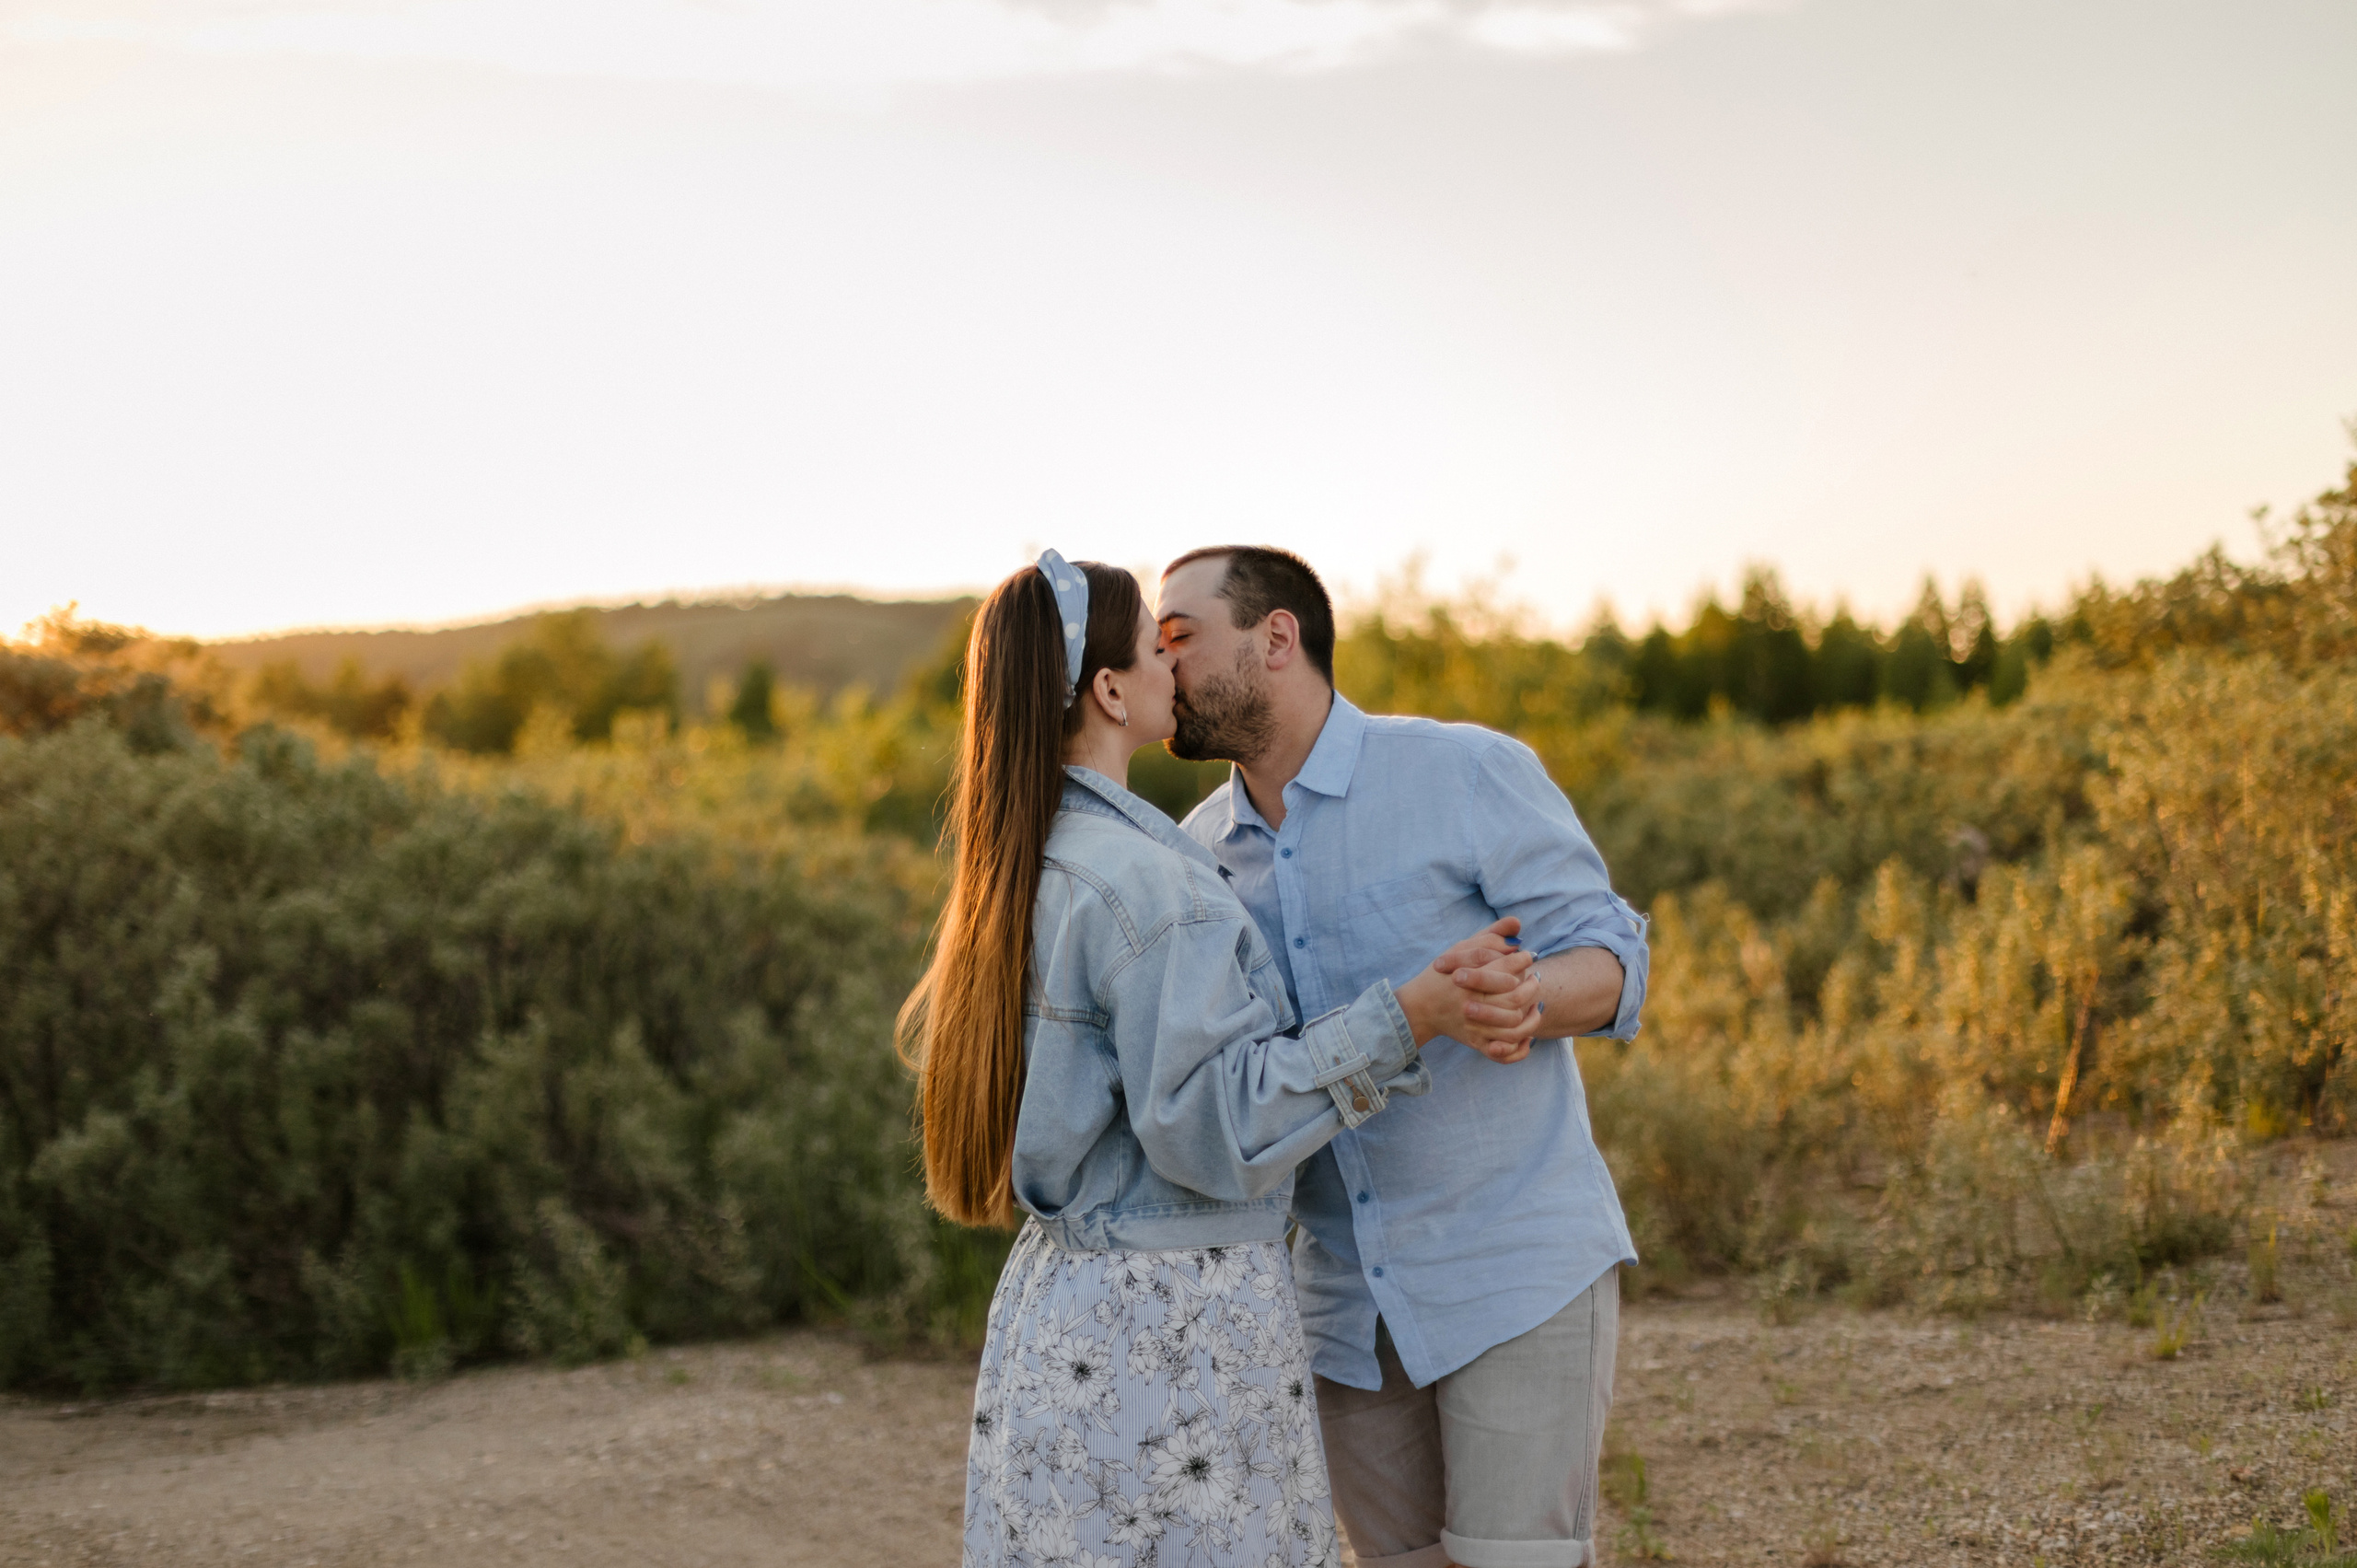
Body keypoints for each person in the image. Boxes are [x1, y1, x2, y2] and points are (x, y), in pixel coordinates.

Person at [901, 553, 1543, 1568]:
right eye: (1157, 647)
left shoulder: (1027, 863)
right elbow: (1216, 1131)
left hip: (1056, 1313)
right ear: (1111, 691)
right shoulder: (1158, 885)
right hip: (1177, 1314)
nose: (1175, 663)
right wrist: (1409, 1015)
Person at [1158, 546, 1651, 1568]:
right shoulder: (1193, 855)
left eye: (1180, 638)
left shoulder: (1463, 770)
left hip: (1513, 1263)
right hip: (1340, 1302)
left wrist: (1515, 996)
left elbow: (1612, 960)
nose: (1163, 669)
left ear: (1276, 638)